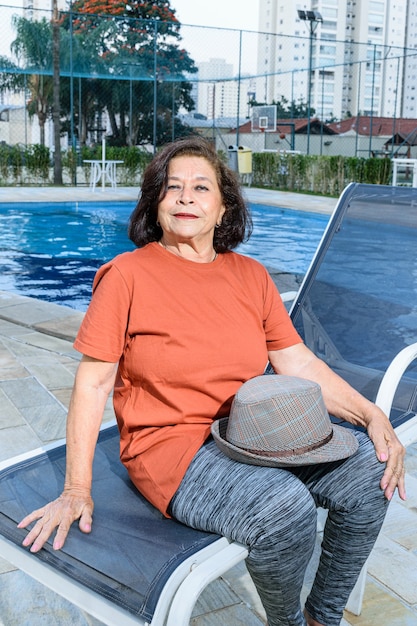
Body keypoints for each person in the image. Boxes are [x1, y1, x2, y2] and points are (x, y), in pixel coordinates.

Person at [18, 136, 406, 626]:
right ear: (156, 204)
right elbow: (93, 384)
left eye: (201, 187)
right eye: (172, 187)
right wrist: (76, 488)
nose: (185, 197)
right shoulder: (126, 277)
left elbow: (297, 362)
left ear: (223, 208)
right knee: (283, 510)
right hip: (173, 449)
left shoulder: (251, 276)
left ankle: (321, 616)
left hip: (251, 434)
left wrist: (371, 414)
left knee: (371, 476)